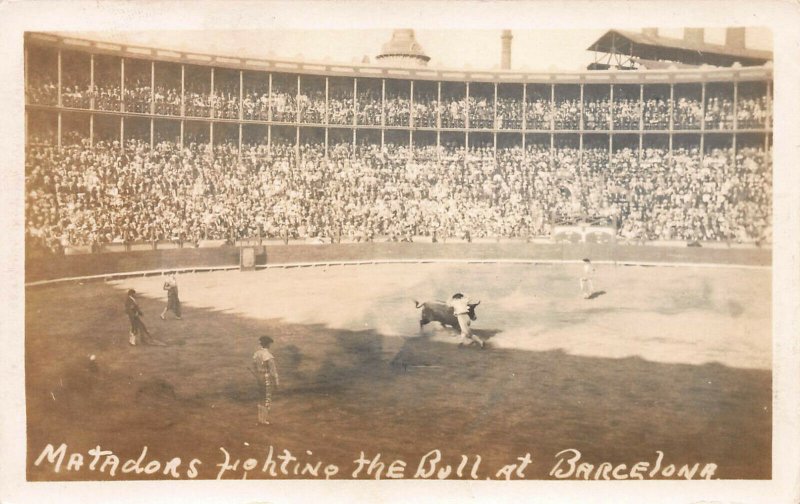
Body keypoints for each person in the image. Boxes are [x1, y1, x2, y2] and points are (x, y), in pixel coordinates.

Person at [251, 335, 280, 425]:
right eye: (269, 344)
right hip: (266, 378)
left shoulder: (256, 354)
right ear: (268, 344)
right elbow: (273, 371)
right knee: (267, 398)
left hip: (259, 378)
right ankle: (263, 420)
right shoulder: (268, 355)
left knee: (261, 397)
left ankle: (261, 419)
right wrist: (276, 382)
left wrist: (257, 374)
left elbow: (254, 366)